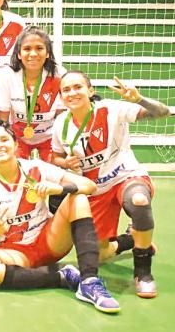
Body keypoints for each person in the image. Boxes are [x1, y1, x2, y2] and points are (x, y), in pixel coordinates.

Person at [0, 119, 120, 313]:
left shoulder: (36, 168)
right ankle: (60, 277)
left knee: (78, 199)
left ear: (16, 144)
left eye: (4, 139)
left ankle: (89, 281)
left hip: (48, 240)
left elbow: (89, 186)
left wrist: (57, 188)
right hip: (16, 252)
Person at [52, 71, 170, 299]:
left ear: (90, 91)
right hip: (96, 190)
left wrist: (139, 99)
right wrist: (64, 162)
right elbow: (55, 156)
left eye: (78, 87)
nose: (72, 93)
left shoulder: (111, 109)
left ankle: (143, 272)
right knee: (97, 255)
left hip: (125, 177)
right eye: (66, 90)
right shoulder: (60, 123)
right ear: (61, 97)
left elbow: (162, 112)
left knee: (139, 201)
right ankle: (130, 239)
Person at [0, 26, 65, 161]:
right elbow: (3, 118)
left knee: (53, 174)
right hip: (18, 136)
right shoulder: (7, 75)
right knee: (15, 171)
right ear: (19, 54)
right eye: (27, 49)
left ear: (48, 53)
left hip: (50, 137)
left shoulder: (58, 74)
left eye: (39, 48)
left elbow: (62, 117)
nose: (33, 54)